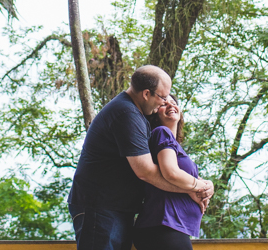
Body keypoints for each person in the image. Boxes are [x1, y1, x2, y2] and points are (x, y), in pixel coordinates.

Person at [69, 65, 214, 250]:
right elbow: (146, 171)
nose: (165, 103)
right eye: (163, 98)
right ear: (146, 94)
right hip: (100, 206)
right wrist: (193, 187)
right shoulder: (127, 113)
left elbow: (164, 166)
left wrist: (200, 184)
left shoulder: (136, 116)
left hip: (118, 209)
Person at [132, 94, 204, 250]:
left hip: (169, 227)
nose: (171, 105)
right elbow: (171, 172)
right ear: (154, 113)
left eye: (174, 102)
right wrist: (199, 187)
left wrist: (207, 185)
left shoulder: (172, 144)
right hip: (163, 226)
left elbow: (188, 177)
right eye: (164, 104)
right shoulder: (162, 133)